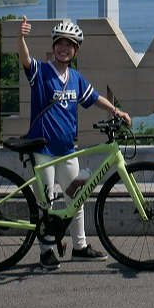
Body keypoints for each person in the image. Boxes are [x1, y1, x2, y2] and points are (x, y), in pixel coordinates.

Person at [18, 16, 131, 271]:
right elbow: (25, 59)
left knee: (77, 198)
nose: (64, 48)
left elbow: (94, 97)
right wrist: (21, 37)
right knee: (45, 203)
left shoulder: (76, 78)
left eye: (69, 45)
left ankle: (79, 247)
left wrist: (116, 111)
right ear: (54, 46)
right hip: (43, 150)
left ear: (76, 50)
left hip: (68, 150)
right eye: (60, 43)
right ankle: (46, 251)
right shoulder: (42, 71)